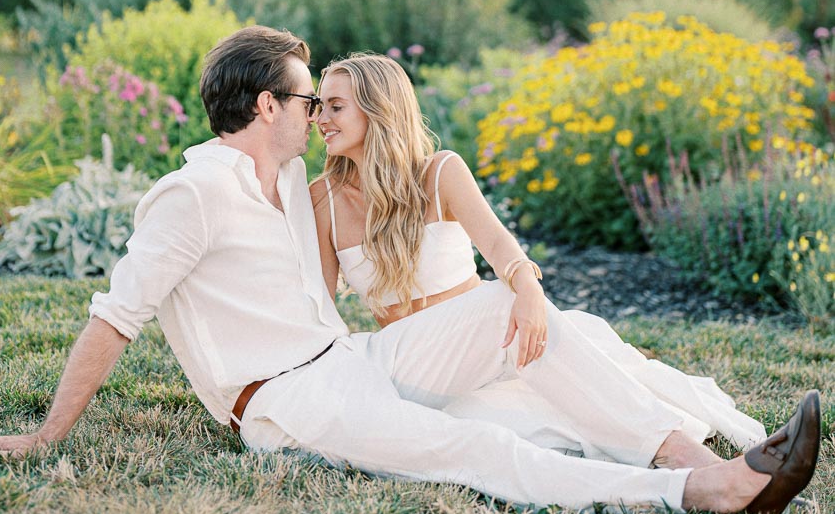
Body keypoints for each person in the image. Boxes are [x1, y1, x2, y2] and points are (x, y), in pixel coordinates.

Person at [0, 26, 820, 514]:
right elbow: (115, 317)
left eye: (327, 104)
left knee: (498, 310)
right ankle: (697, 489)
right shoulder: (190, 197)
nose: (316, 115)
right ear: (267, 108)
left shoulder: (292, 181)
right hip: (289, 400)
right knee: (478, 447)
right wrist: (43, 437)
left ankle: (686, 447)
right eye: (305, 101)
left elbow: (369, 238)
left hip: (358, 357)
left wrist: (519, 282)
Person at [310, 53, 777, 468]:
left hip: (491, 351)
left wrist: (529, 290)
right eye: (318, 106)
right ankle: (675, 451)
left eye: (336, 106)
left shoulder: (439, 172)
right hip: (417, 368)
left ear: (380, 109)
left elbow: (499, 246)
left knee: (562, 384)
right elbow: (321, 311)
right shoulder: (323, 200)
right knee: (525, 346)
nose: (321, 119)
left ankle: (674, 449)